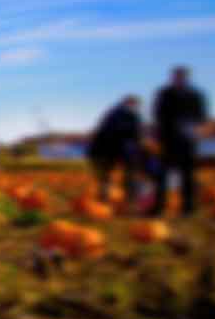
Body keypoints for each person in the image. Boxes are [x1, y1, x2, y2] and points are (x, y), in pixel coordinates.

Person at [151, 67, 208, 216]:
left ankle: (188, 207)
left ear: (187, 78)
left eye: (182, 77)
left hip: (188, 140)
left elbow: (202, 116)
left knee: (188, 174)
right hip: (168, 139)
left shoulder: (196, 95)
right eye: (176, 76)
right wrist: (161, 132)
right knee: (162, 174)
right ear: (172, 77)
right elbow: (157, 114)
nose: (179, 79)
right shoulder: (164, 94)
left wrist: (196, 129)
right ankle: (159, 206)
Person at [87, 95, 143, 204]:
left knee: (115, 175)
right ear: (129, 103)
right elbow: (131, 133)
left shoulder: (119, 114)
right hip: (114, 149)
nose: (135, 107)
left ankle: (121, 198)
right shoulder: (118, 115)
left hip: (118, 149)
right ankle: (118, 198)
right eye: (134, 104)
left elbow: (136, 134)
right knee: (117, 175)